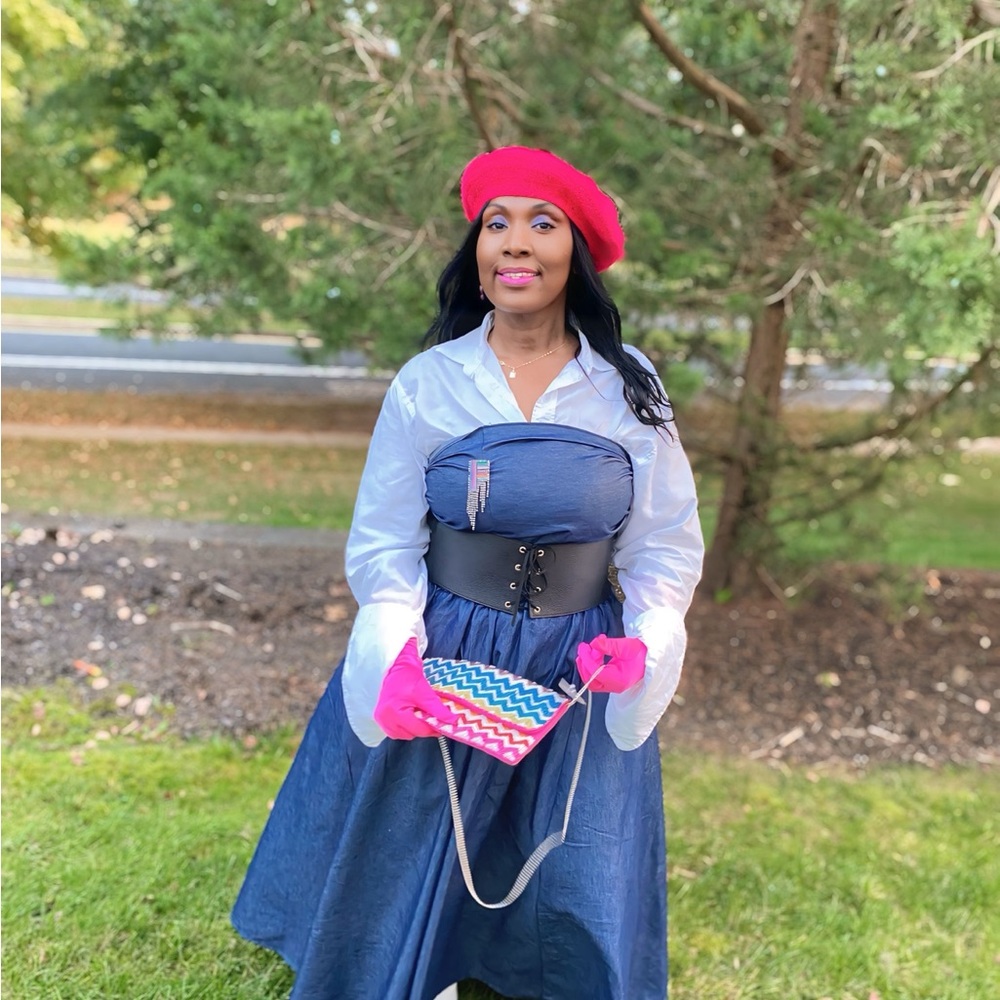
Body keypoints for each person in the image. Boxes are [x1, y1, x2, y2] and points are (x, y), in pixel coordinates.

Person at [232, 146, 704, 1000]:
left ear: (576, 256)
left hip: (579, 664)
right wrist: (394, 649)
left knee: (575, 851)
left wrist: (647, 636)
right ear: (476, 255)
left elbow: (665, 541)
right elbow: (384, 542)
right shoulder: (428, 384)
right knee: (416, 839)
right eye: (497, 224)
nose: (515, 243)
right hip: (449, 647)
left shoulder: (629, 388)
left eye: (542, 223)